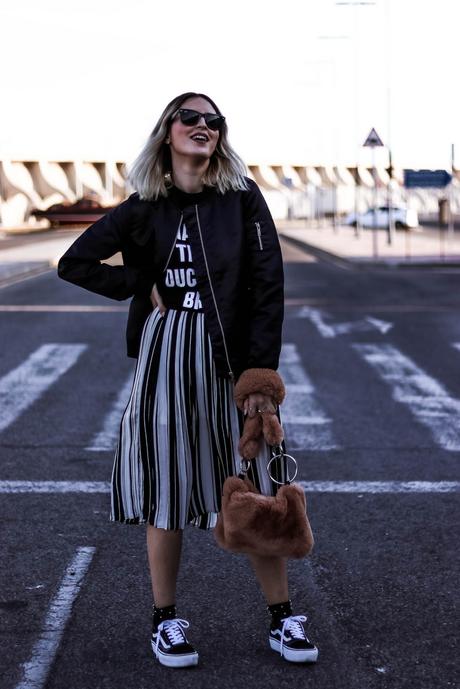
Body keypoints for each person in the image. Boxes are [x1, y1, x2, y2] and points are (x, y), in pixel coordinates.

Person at [57, 91, 318, 668]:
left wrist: (260, 379)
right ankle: (165, 620)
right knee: (168, 484)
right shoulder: (144, 205)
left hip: (231, 359)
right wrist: (140, 283)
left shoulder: (242, 199)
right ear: (168, 131)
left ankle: (281, 618)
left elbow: (267, 287)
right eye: (191, 118)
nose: (204, 126)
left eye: (214, 120)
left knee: (255, 481)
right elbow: (74, 263)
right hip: (168, 354)